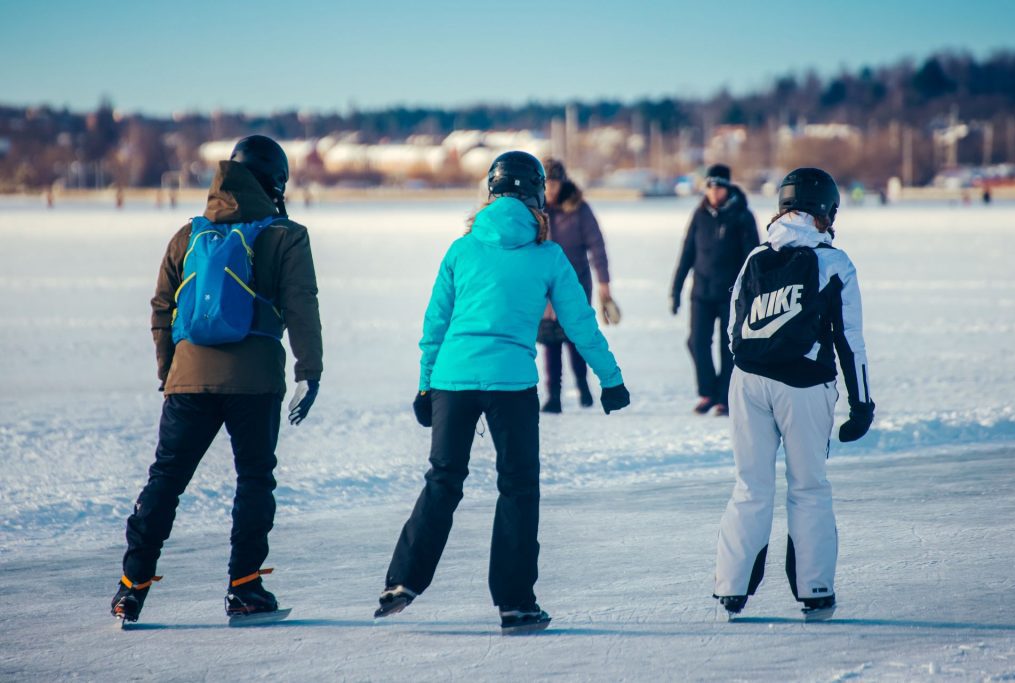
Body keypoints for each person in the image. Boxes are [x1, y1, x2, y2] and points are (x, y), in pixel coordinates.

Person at [375, 151, 630, 633]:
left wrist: (426, 384)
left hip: (452, 378)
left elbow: (435, 324)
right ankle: (515, 603)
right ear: (537, 198)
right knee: (517, 487)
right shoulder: (548, 255)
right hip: (511, 384)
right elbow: (582, 325)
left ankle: (402, 580)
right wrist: (610, 380)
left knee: (443, 479)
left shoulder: (461, 248)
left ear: (489, 195)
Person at [110, 135, 323, 625]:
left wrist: (171, 370)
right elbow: (301, 306)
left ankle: (131, 586)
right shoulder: (286, 235)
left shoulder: (189, 234)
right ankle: (245, 587)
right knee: (253, 481)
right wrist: (309, 371)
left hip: (188, 382)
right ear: (274, 182)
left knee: (166, 479)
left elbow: (162, 307)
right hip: (255, 383)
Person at [713, 167, 875, 621]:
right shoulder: (833, 262)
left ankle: (731, 589)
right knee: (808, 487)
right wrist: (861, 404)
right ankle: (815, 590)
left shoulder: (754, 258)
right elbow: (850, 339)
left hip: (747, 382)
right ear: (825, 211)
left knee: (750, 485)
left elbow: (732, 331)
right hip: (804, 387)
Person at [670, 163, 759, 416]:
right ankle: (708, 392)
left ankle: (724, 398)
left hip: (731, 295)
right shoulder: (700, 215)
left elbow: (754, 258)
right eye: (709, 187)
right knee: (696, 342)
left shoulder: (742, 215)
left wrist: (752, 294)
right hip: (701, 293)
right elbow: (687, 253)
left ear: (728, 188)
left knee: (726, 347)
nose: (713, 192)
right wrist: (675, 290)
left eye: (718, 187)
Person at [537, 157, 618, 413]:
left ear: (563, 182)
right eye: (547, 183)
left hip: (576, 284)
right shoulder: (534, 210)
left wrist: (604, 284)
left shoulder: (579, 209)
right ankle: (554, 396)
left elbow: (597, 247)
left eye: (555, 182)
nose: (551, 188)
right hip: (545, 287)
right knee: (550, 341)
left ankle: (583, 385)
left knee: (575, 338)